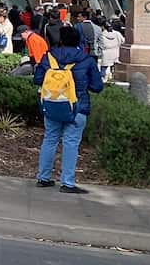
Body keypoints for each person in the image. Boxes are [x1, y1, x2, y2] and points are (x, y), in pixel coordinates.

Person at [33, 26, 104, 194]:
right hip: (77, 107)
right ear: (78, 40)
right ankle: (67, 183)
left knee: (50, 139)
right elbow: (97, 86)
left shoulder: (49, 57)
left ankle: (43, 178)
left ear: (61, 40)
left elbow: (37, 79)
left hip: (53, 104)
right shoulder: (86, 60)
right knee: (71, 143)